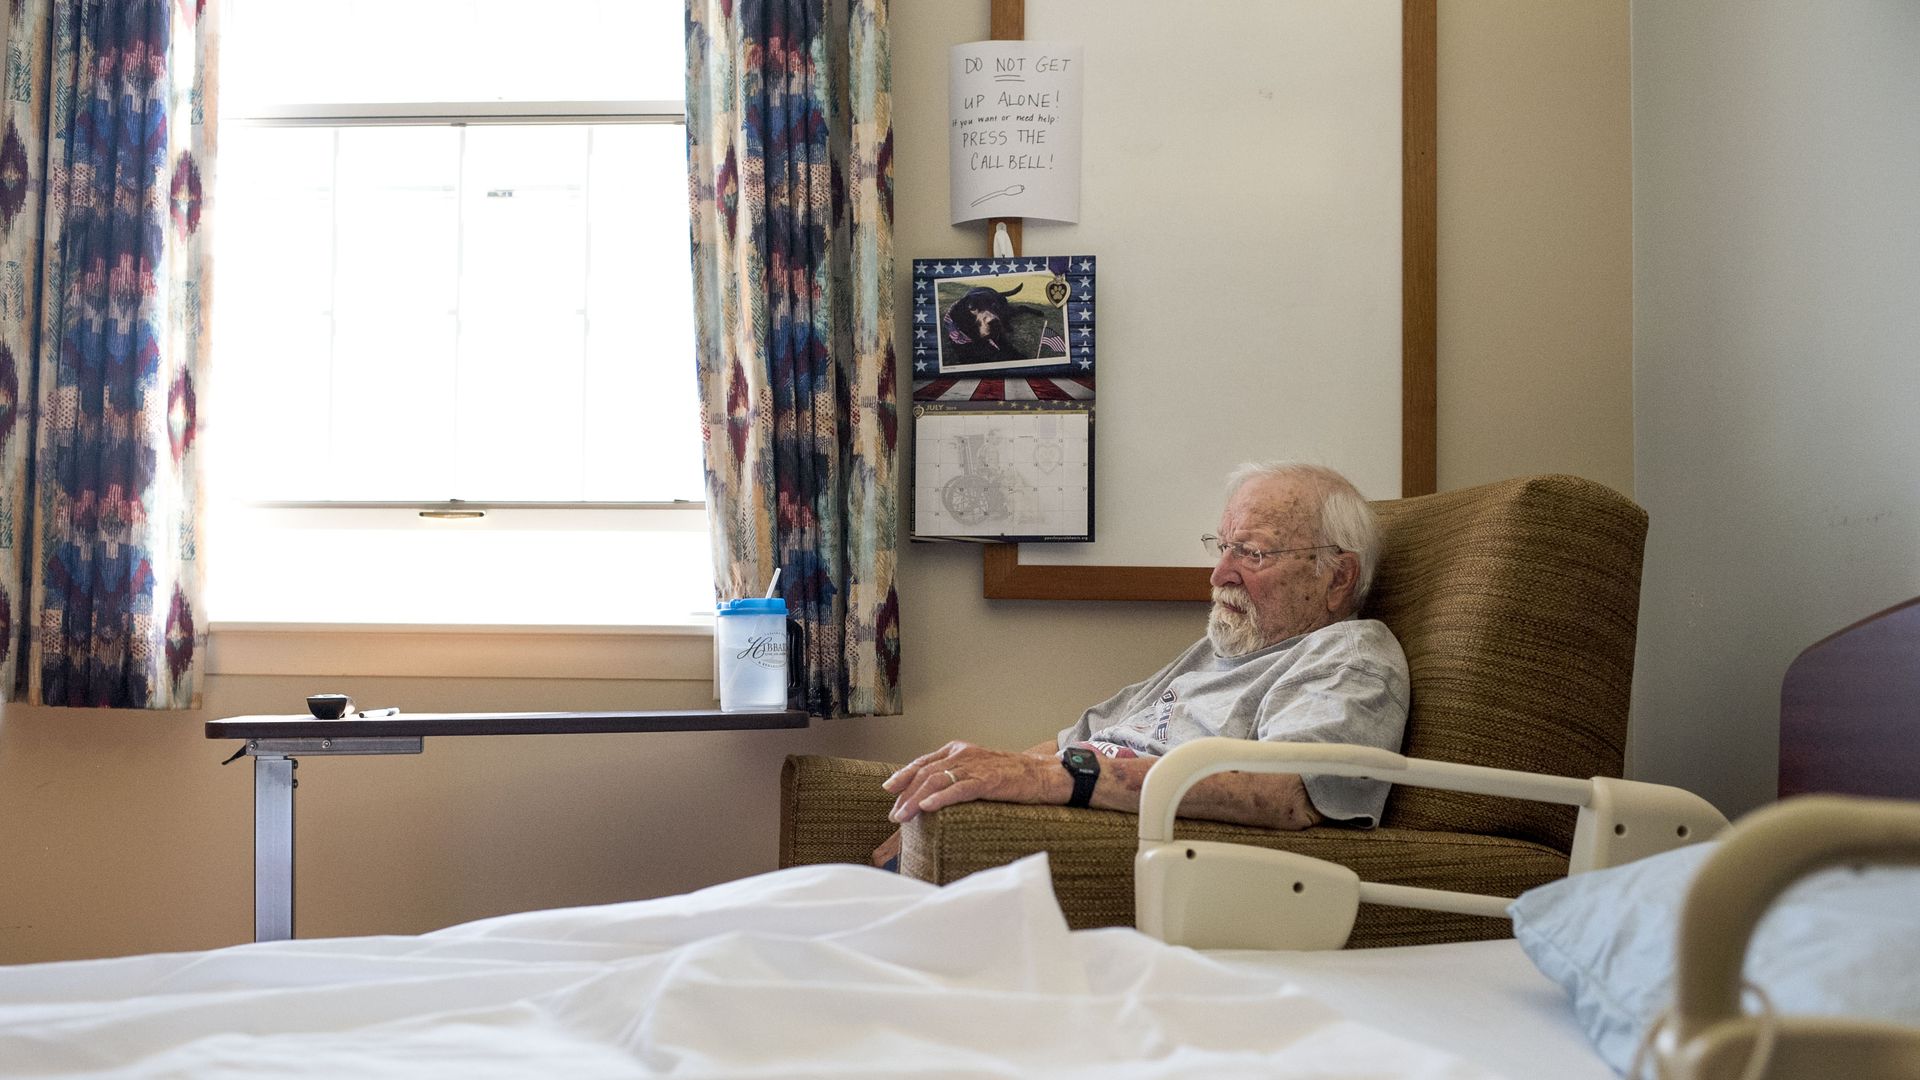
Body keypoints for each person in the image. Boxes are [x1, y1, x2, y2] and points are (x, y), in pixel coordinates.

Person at [874, 461, 1410, 867]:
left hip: (1136, 845)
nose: (1219, 573)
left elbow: (1285, 794)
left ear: (1337, 578)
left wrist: (1054, 780)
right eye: (1222, 547)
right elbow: (1077, 739)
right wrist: (977, 776)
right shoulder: (1217, 653)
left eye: (1252, 553)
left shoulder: (1351, 655)